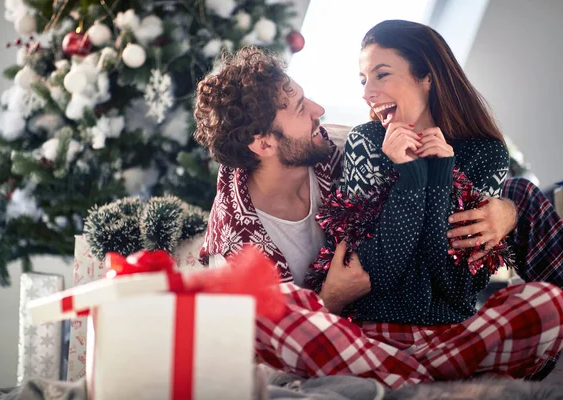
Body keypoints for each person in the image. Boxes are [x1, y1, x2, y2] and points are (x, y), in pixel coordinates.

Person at [193, 38, 563, 386]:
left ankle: (414, 375)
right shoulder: (233, 248)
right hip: (345, 338)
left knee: (544, 298)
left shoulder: (335, 144)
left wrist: (507, 212)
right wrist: (329, 301)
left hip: (408, 338)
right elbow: (262, 357)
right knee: (272, 313)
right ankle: (433, 375)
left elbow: (456, 223)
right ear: (263, 143)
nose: (318, 110)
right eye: (300, 108)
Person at [303, 19, 509, 326]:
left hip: (451, 330)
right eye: (363, 81)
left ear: (427, 75)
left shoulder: (486, 154)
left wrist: (441, 175)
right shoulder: (367, 142)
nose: (367, 93)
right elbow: (371, 273)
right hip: (373, 328)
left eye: (381, 75)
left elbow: (459, 287)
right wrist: (411, 176)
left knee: (544, 306)